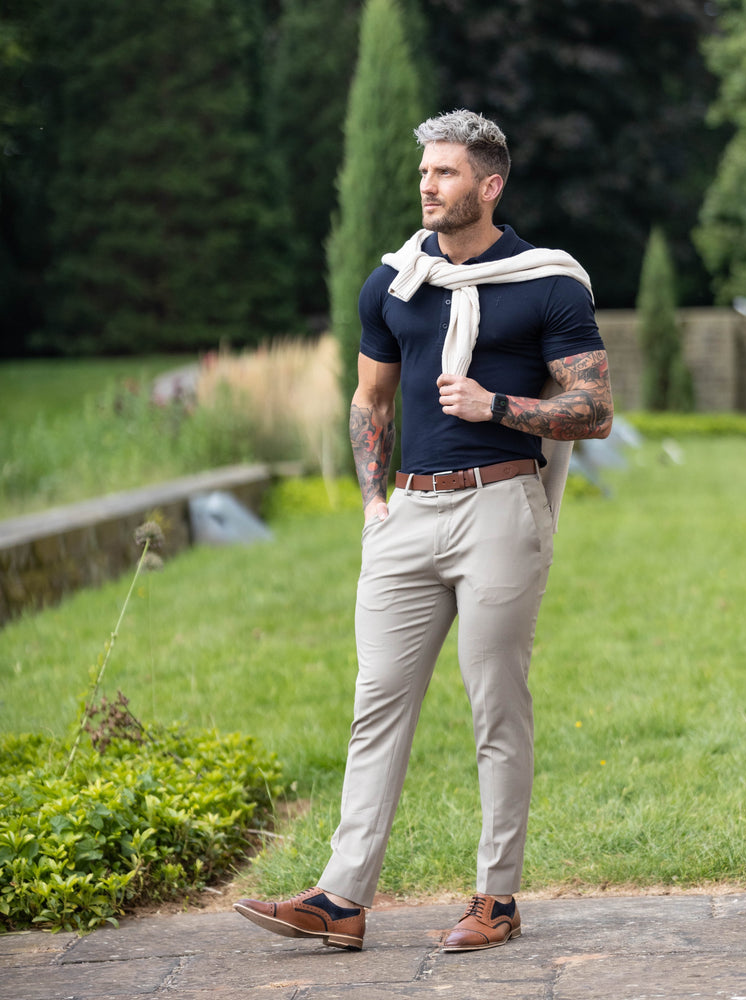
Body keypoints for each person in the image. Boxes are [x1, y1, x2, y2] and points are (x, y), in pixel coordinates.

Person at [234, 109, 613, 953]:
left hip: (499, 509)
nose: (428, 187)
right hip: (407, 514)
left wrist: (498, 407)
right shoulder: (395, 283)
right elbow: (369, 402)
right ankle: (341, 899)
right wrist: (376, 506)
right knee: (376, 705)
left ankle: (497, 900)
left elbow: (594, 411)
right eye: (423, 174)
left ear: (490, 185)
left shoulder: (547, 283)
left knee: (495, 710)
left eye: (445, 174)